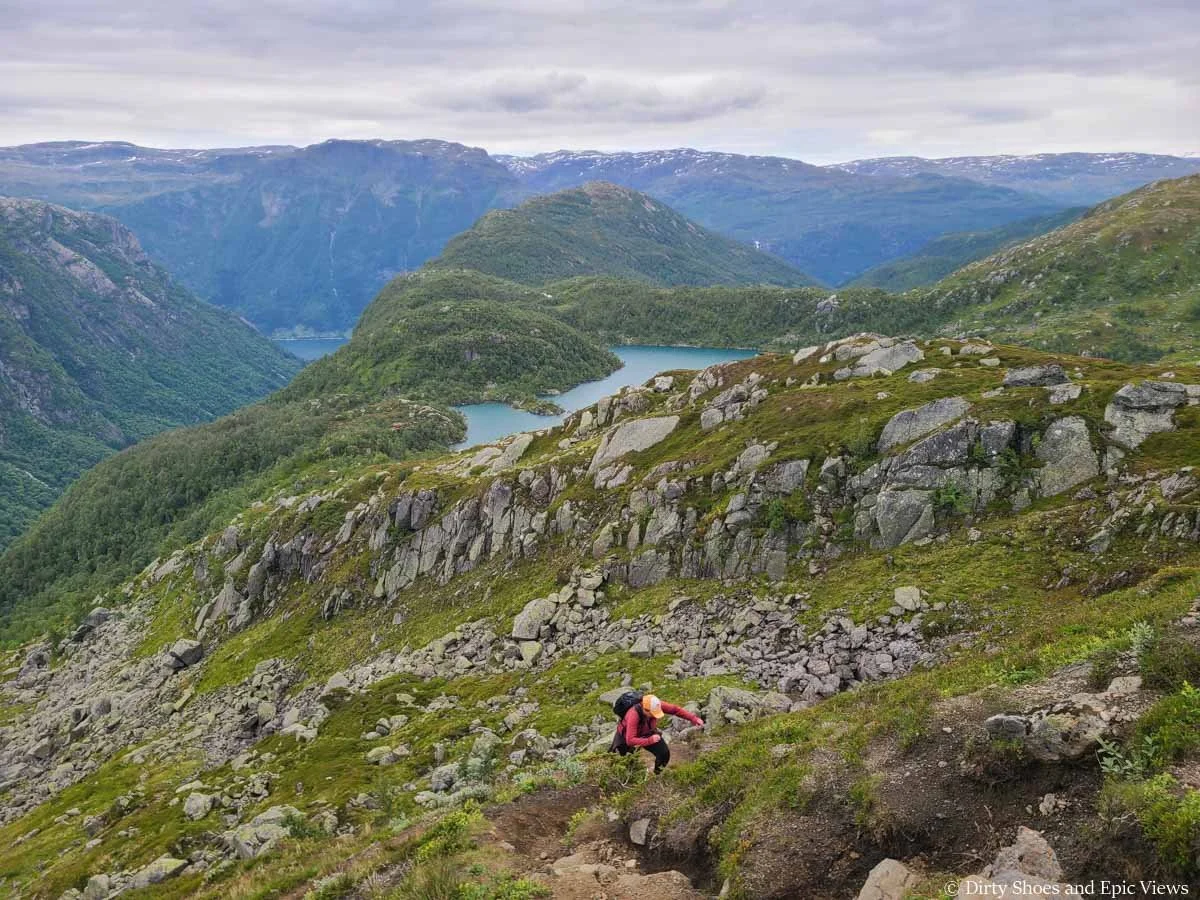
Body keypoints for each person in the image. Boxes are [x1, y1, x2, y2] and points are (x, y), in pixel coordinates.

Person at [611, 693, 704, 773]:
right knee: (624, 762)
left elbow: (675, 710)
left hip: (647, 732)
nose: (656, 716)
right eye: (653, 714)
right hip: (625, 737)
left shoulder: (655, 705)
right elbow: (630, 740)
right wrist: (650, 740)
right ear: (645, 710)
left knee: (664, 754)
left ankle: (657, 775)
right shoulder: (633, 715)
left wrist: (694, 718)